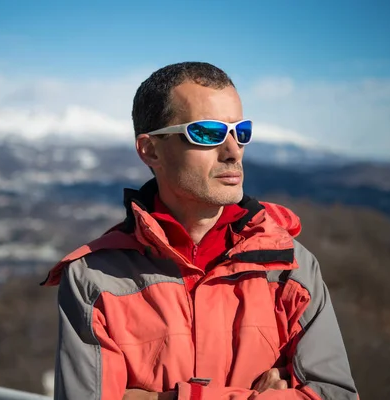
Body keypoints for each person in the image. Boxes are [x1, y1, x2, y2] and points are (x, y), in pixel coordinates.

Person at [42, 62, 358, 400]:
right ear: (151, 150)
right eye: (208, 133)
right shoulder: (94, 279)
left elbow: (335, 395)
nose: (233, 151)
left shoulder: (291, 268)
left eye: (242, 131)